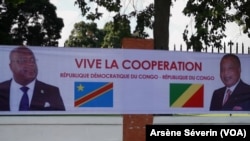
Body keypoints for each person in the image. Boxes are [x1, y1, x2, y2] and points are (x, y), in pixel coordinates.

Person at [0, 46, 65, 111]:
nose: (31, 64)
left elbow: (61, 119)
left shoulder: (52, 92)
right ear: (11, 66)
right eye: (24, 60)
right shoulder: (2, 89)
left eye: (32, 60)